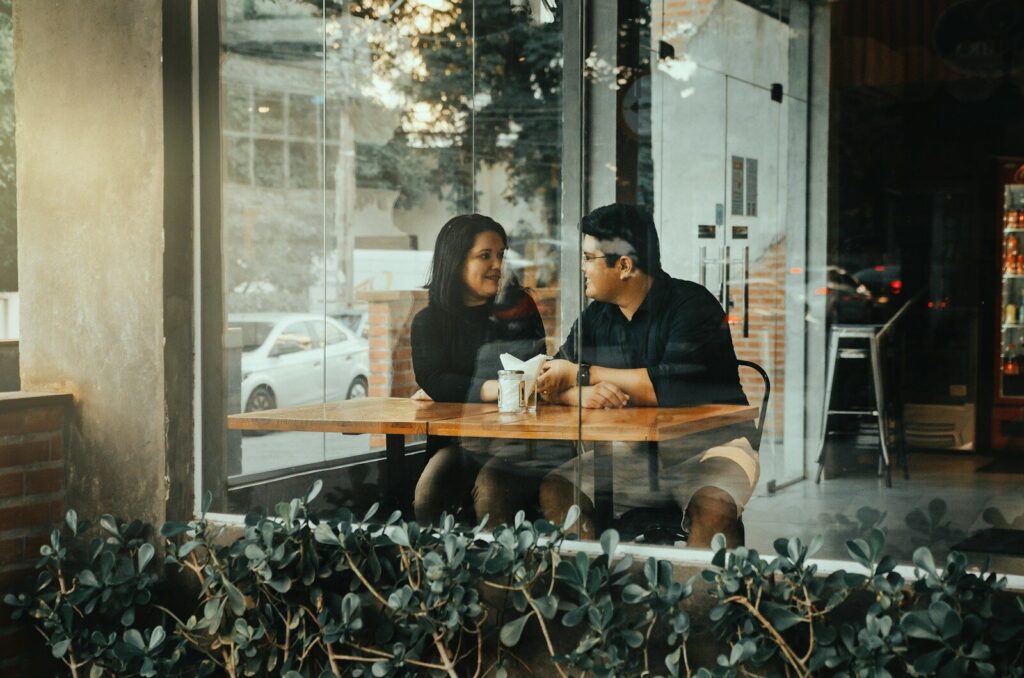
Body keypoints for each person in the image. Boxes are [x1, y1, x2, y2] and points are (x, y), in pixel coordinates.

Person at [535, 203, 759, 547]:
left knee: (713, 508)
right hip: (637, 454)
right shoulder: (598, 316)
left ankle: (708, 600)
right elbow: (551, 376)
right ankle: (596, 590)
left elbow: (666, 386)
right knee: (557, 489)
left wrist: (581, 373)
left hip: (714, 446)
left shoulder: (693, 306)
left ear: (624, 266)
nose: (582, 267)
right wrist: (578, 390)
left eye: (589, 258)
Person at [410, 214, 566, 526]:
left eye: (501, 255)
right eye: (485, 256)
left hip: (522, 443)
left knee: (493, 489)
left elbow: (535, 373)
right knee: (429, 491)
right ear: (455, 262)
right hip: (463, 443)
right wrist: (500, 388)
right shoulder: (429, 321)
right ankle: (440, 570)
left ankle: (503, 574)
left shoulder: (518, 306)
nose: (498, 264)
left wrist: (463, 387)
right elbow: (434, 379)